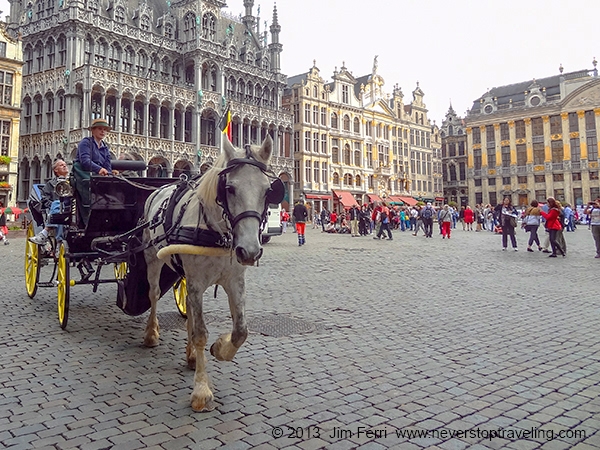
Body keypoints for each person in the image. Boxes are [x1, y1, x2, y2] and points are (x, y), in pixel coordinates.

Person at [28, 159, 70, 245]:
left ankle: (45, 232)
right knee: (59, 211)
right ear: (55, 170)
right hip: (58, 211)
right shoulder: (50, 184)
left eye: (65, 164)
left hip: (72, 208)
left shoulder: (72, 181)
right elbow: (44, 199)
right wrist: (53, 205)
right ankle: (59, 242)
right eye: (61, 165)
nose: (65, 166)